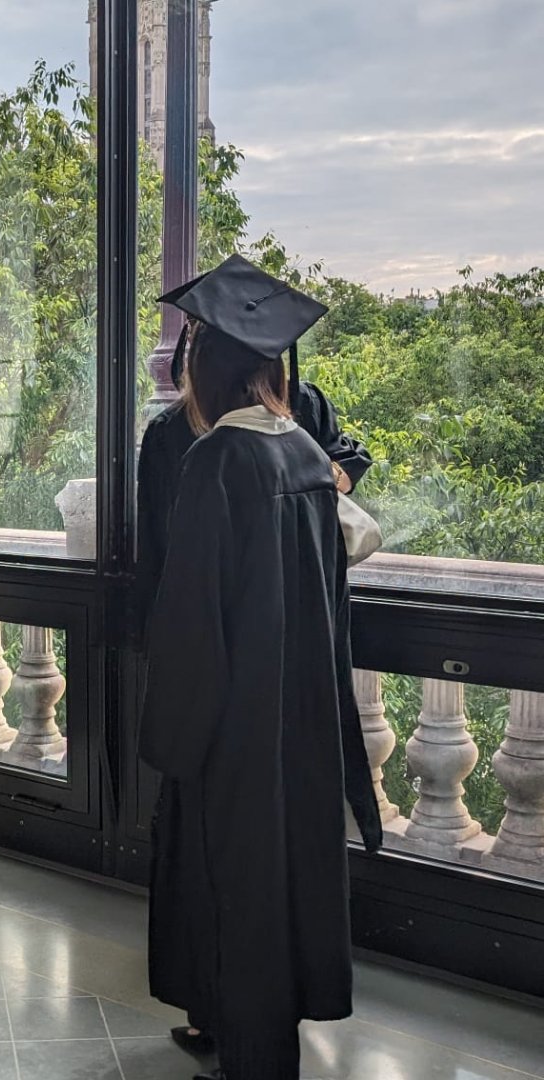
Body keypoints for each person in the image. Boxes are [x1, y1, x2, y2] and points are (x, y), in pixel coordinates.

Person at [139, 255, 383, 1080]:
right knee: (286, 879)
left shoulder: (214, 464)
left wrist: (174, 736)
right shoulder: (310, 461)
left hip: (234, 725)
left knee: (232, 885)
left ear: (201, 370)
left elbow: (190, 620)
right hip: (299, 711)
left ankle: (249, 1055)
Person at [136, 269, 372, 640]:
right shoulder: (174, 431)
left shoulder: (302, 406)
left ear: (199, 363)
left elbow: (156, 545)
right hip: (298, 613)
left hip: (220, 623)